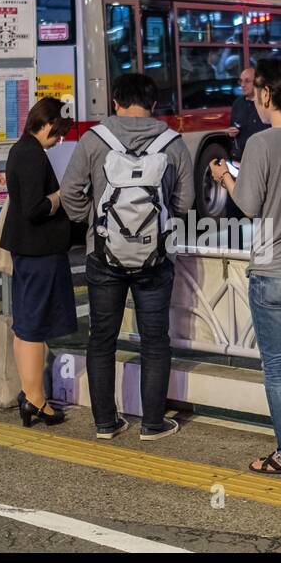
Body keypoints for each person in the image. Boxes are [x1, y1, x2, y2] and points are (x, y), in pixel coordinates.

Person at [207, 58, 281, 476]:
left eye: (257, 89)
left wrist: (223, 176)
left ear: (269, 94)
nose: (253, 97)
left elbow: (249, 204)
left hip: (272, 268)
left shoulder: (262, 142)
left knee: (276, 365)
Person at [61, 74, 195, 441]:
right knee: (155, 340)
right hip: (155, 257)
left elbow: (71, 192)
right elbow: (184, 203)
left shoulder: (94, 140)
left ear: (116, 101)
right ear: (153, 104)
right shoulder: (173, 143)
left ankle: (106, 422)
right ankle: (153, 423)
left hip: (104, 254)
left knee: (102, 337)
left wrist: (90, 221)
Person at [1, 97, 78, 428]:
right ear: (45, 124)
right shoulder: (32, 155)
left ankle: (29, 392)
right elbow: (34, 207)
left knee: (24, 324)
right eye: (57, 133)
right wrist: (60, 197)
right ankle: (36, 400)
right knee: (33, 327)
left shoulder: (19, 150)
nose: (58, 139)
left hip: (24, 250)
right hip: (39, 251)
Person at [227, 67, 270, 160]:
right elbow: (232, 129)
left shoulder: (267, 103)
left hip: (264, 157)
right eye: (241, 81)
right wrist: (231, 134)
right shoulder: (237, 104)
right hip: (242, 159)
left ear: (257, 82)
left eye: (247, 81)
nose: (242, 85)